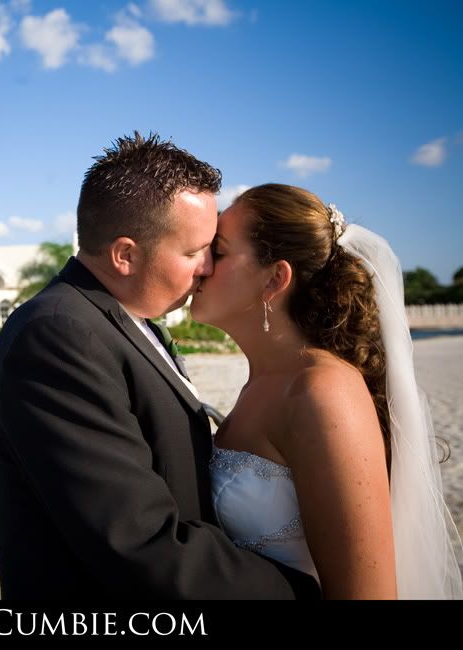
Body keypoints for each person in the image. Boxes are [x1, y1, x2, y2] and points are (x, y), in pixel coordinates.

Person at [0, 134, 321, 599]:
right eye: (193, 251)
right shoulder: (58, 335)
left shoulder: (128, 321)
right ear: (125, 255)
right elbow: (139, 542)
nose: (207, 267)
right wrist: (302, 591)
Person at [190, 183, 463, 599]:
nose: (202, 263)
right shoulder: (264, 381)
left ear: (274, 278)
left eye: (219, 250)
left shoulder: (322, 392)